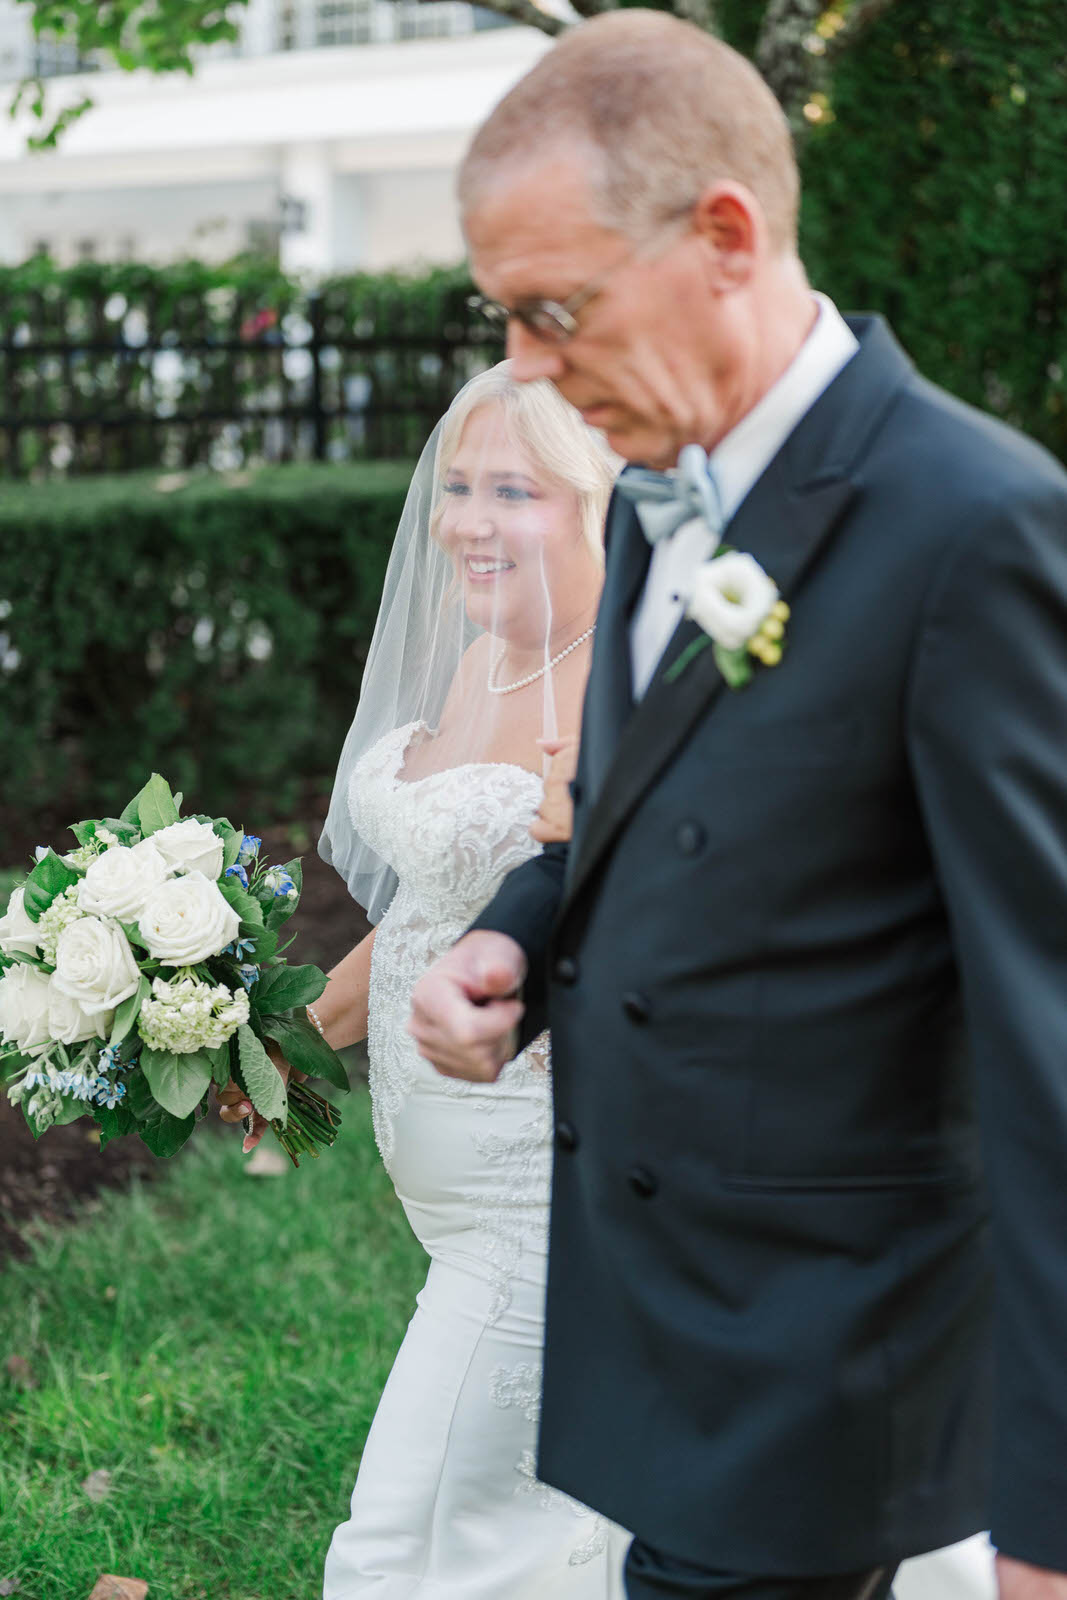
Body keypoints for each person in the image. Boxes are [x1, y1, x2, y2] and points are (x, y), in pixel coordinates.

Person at [407, 12, 1067, 1600]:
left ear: (721, 236)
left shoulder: (970, 527)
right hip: (661, 1321)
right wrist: (515, 934)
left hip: (821, 1352)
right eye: (502, 319)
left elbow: (1048, 1051)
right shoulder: (659, 500)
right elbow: (650, 808)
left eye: (553, 310)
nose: (525, 369)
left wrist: (1049, 1529)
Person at [226, 363, 628, 1596]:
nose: (461, 520)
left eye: (510, 489)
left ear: (600, 498)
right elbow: (431, 921)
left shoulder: (626, 689)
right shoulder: (481, 665)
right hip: (452, 1213)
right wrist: (276, 1040)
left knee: (405, 1544)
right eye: (455, 485)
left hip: (538, 1213)